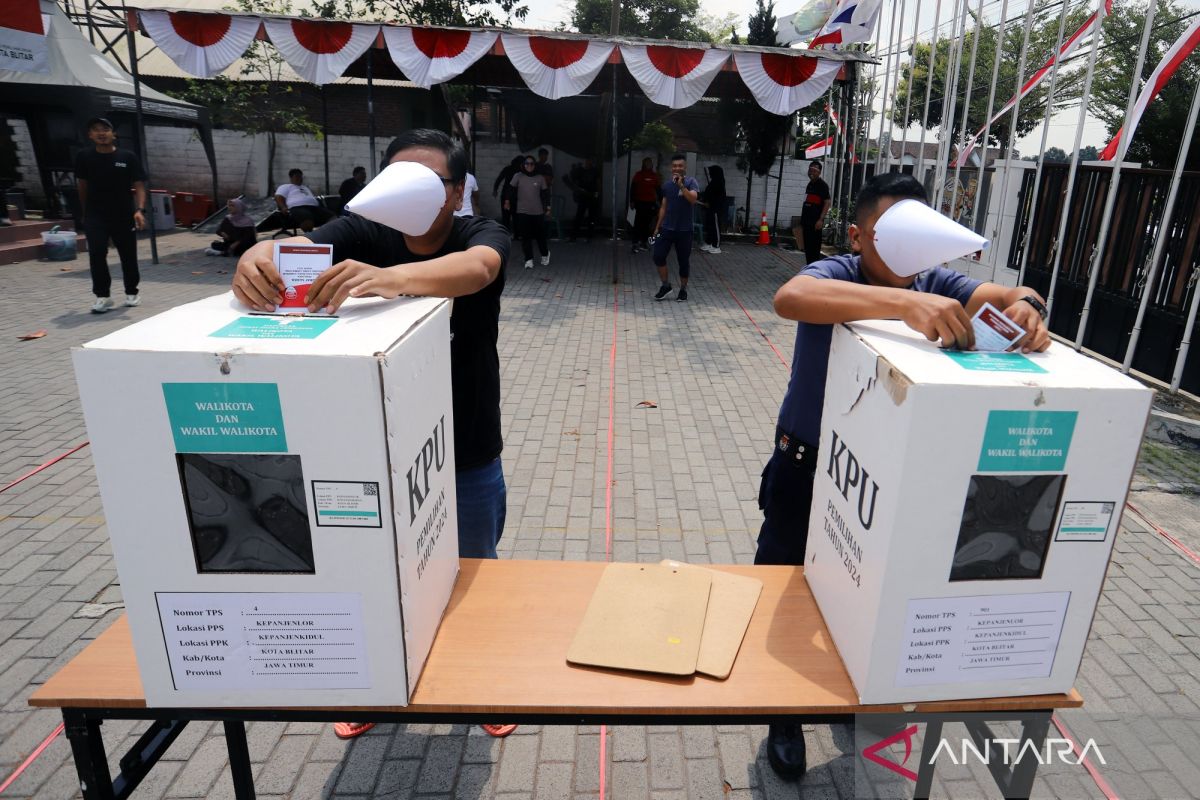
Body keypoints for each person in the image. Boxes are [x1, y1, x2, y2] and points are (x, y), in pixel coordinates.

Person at [755, 172, 1051, 781]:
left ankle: (848, 696)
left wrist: (1030, 305)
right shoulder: (837, 274)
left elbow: (1011, 290)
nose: (912, 263)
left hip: (879, 485)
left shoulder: (938, 281)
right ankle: (780, 712)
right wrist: (903, 303)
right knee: (783, 595)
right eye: (893, 234)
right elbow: (790, 298)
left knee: (860, 594)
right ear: (859, 236)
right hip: (807, 465)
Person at [232, 128, 516, 742]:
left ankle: (482, 681)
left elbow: (478, 269)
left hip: (464, 447)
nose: (408, 193)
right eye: (395, 177)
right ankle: (371, 684)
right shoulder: (363, 231)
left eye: (429, 181)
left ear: (457, 191)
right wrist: (259, 259)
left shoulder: (478, 233)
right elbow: (297, 248)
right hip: (372, 448)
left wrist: (390, 279)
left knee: (473, 572)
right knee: (371, 569)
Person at [74, 117, 146, 313]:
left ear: (113, 134)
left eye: (105, 129)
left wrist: (139, 210)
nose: (101, 133)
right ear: (90, 135)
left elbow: (139, 185)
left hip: (124, 214)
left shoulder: (127, 157)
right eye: (96, 130)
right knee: (97, 254)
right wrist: (85, 212)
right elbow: (82, 185)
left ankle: (132, 292)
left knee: (128, 255)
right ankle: (103, 296)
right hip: (95, 215)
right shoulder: (84, 157)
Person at [650, 153, 699, 302]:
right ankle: (666, 286)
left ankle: (683, 290)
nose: (677, 168)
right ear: (672, 168)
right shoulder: (666, 185)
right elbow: (664, 207)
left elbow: (692, 199)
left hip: (685, 231)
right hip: (666, 229)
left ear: (685, 167)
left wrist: (681, 186)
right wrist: (657, 227)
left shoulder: (691, 182)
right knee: (658, 256)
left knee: (683, 261)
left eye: (680, 166)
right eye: (675, 166)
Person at [506, 155, 550, 269]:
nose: (529, 166)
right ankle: (528, 259)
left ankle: (545, 254)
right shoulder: (518, 176)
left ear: (534, 165)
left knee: (540, 236)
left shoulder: (540, 178)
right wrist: (507, 201)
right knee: (526, 237)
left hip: (538, 212)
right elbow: (510, 189)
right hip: (522, 211)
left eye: (531, 164)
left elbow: (545, 194)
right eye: (527, 164)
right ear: (523, 165)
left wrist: (548, 207)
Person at [799, 161, 830, 265]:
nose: (811, 172)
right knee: (808, 249)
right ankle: (809, 268)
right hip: (807, 222)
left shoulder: (822, 185)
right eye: (810, 170)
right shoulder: (809, 185)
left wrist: (820, 219)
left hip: (815, 223)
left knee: (814, 249)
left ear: (819, 172)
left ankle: (814, 272)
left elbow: (827, 202)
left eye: (814, 170)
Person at [566, 158, 600, 242]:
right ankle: (574, 236)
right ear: (585, 161)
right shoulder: (580, 170)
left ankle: (590, 236)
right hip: (583, 196)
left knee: (591, 217)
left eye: (590, 160)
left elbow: (598, 182)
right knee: (579, 216)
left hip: (592, 195)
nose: (589, 162)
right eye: (587, 160)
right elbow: (573, 180)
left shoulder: (595, 170)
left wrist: (597, 193)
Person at [629, 157, 659, 253]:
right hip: (639, 202)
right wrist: (632, 201)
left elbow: (658, 189)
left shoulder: (654, 176)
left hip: (650, 203)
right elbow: (633, 188)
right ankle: (635, 243)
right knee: (637, 223)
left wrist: (663, 201)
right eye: (647, 163)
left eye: (650, 163)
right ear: (643, 164)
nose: (648, 165)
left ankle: (643, 242)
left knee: (647, 224)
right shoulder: (639, 175)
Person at [698, 164, 727, 254]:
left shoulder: (719, 183)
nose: (710, 174)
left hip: (715, 209)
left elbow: (718, 197)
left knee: (715, 226)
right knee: (709, 225)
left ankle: (716, 246)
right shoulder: (714, 182)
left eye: (711, 172)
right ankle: (709, 243)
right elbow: (709, 193)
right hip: (710, 208)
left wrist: (709, 203)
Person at [493, 155, 523, 233]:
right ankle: (516, 233)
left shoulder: (509, 169)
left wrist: (495, 189)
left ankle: (506, 232)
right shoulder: (520, 171)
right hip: (513, 196)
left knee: (506, 216)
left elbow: (499, 179)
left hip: (507, 195)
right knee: (515, 216)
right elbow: (499, 179)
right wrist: (495, 189)